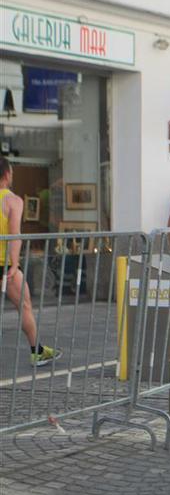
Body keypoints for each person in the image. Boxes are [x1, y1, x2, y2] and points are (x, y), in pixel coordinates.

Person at [0, 157, 62, 366]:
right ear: (7, 175)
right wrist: (15, 264)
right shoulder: (13, 201)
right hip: (5, 266)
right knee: (25, 306)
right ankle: (36, 351)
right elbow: (14, 235)